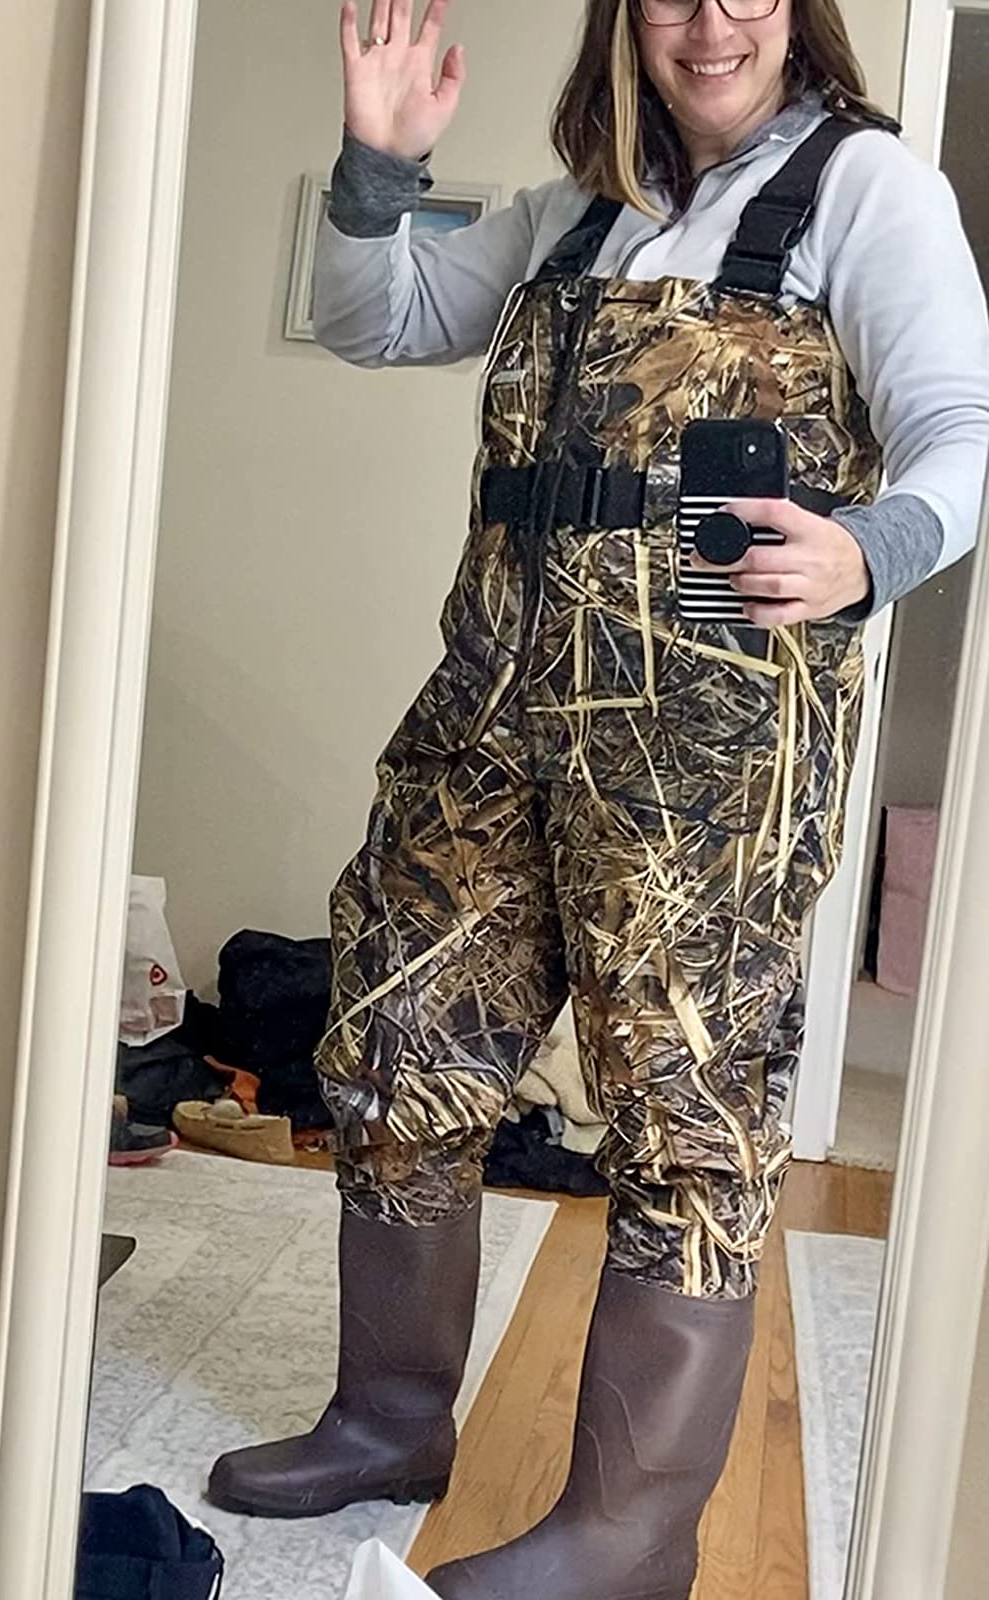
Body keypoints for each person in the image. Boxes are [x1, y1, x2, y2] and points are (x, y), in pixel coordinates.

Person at [209, 1, 989, 1595]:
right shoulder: (581, 208)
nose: (711, 25)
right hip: (491, 709)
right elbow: (375, 319)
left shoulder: (866, 189)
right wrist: (378, 166)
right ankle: (389, 1418)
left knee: (681, 1114)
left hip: (707, 753)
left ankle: (629, 1539)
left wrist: (871, 548)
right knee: (400, 1036)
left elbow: (960, 431)